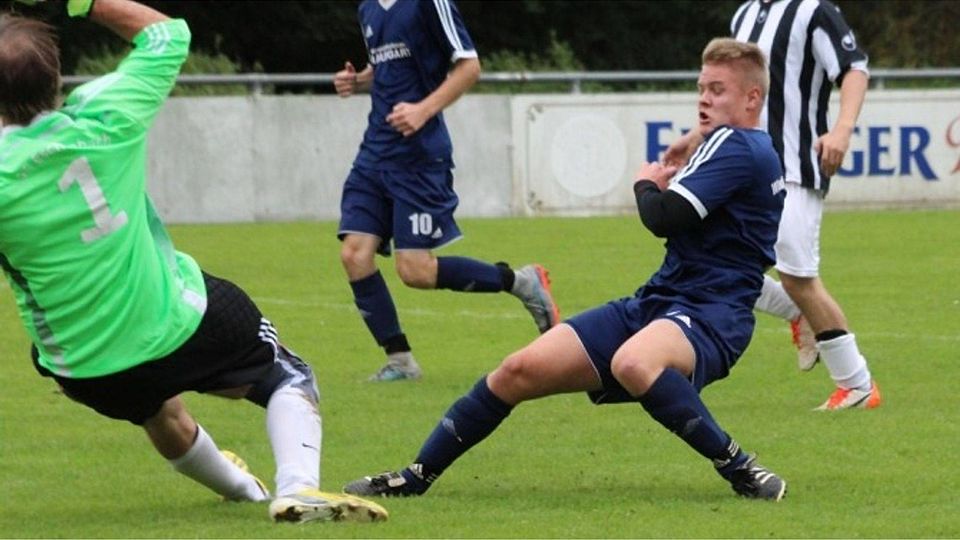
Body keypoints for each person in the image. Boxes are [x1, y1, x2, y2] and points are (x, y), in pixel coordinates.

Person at [343, 38, 788, 502]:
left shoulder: (738, 148)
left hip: (714, 314)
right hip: (659, 300)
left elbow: (663, 217)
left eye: (717, 90)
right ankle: (416, 476)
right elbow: (712, 161)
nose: (704, 98)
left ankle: (742, 468)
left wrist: (645, 183)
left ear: (752, 98)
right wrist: (692, 140)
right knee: (517, 369)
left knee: (634, 363)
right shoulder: (736, 143)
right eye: (701, 87)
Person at [0, 0, 386, 524]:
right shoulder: (106, 112)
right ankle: (298, 488)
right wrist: (86, 1)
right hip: (175, 323)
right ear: (54, 81)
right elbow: (167, 36)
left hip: (82, 364)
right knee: (287, 375)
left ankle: (246, 491)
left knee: (157, 409)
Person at [666, 0, 881, 411]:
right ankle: (799, 314)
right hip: (743, 166)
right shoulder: (745, 13)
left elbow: (854, 68)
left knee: (799, 276)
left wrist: (842, 129)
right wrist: (694, 136)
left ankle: (858, 384)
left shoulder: (814, 11)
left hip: (795, 163)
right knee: (711, 257)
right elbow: (734, 89)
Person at [333, 0, 560, 382]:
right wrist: (358, 81)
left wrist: (423, 110)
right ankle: (401, 361)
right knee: (354, 255)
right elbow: (387, 69)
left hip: (419, 158)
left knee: (415, 270)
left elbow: (469, 65)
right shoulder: (368, 8)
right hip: (374, 154)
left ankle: (522, 282)